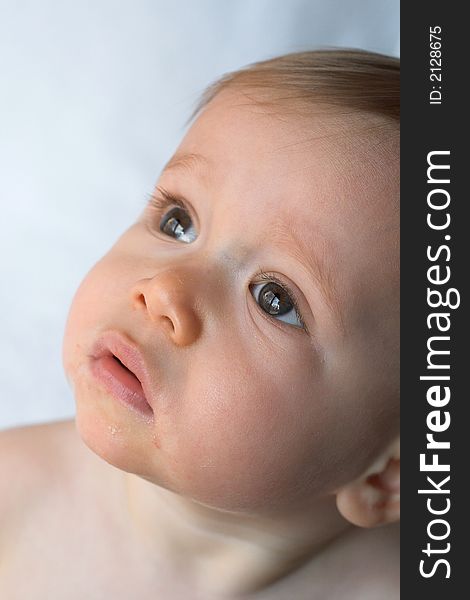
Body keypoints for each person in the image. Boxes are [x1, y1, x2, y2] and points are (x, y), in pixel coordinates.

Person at [0, 49, 400, 599]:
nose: (165, 290)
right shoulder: (14, 499)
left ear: (391, 471)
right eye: (178, 221)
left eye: (274, 299)